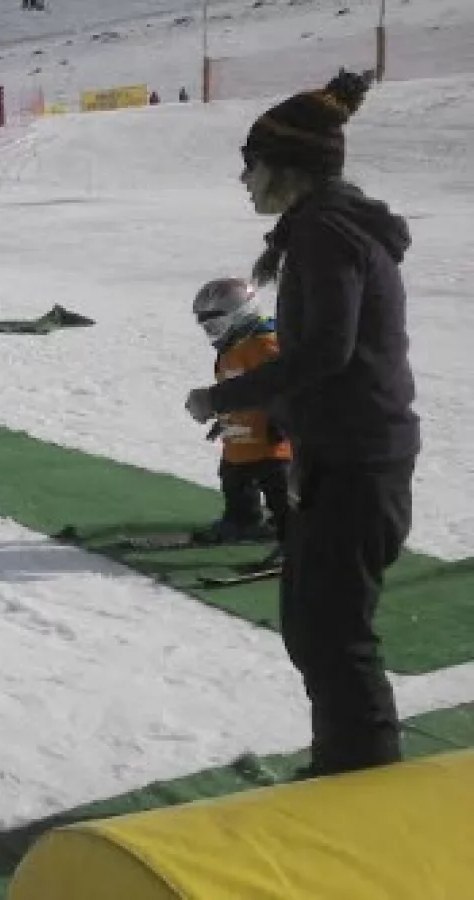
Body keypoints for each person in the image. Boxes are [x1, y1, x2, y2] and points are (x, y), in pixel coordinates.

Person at [184, 70, 418, 777]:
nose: (244, 178)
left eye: (251, 163)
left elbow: (325, 351)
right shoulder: (320, 229)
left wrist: (225, 398)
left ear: (289, 167)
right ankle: (345, 768)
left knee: (332, 633)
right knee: (315, 626)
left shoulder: (324, 231)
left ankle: (361, 781)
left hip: (359, 459)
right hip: (342, 455)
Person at [190, 277, 290, 555]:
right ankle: (243, 519)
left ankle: (293, 533)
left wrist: (281, 420)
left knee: (278, 485)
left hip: (271, 439)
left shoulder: (265, 345)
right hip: (240, 433)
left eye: (215, 326)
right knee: (234, 476)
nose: (211, 334)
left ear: (240, 315)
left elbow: (279, 385)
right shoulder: (232, 347)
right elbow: (234, 387)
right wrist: (225, 417)